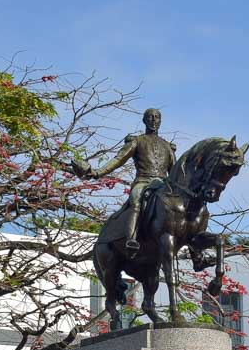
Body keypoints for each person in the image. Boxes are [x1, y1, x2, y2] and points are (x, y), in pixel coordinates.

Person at [72, 108, 176, 257]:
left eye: (157, 117)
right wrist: (97, 173)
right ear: (144, 121)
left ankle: (194, 249)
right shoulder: (137, 141)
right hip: (144, 182)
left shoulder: (167, 146)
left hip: (163, 185)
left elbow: (175, 171)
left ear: (160, 121)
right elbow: (118, 160)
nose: (153, 120)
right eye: (150, 117)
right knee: (136, 199)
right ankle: (131, 239)